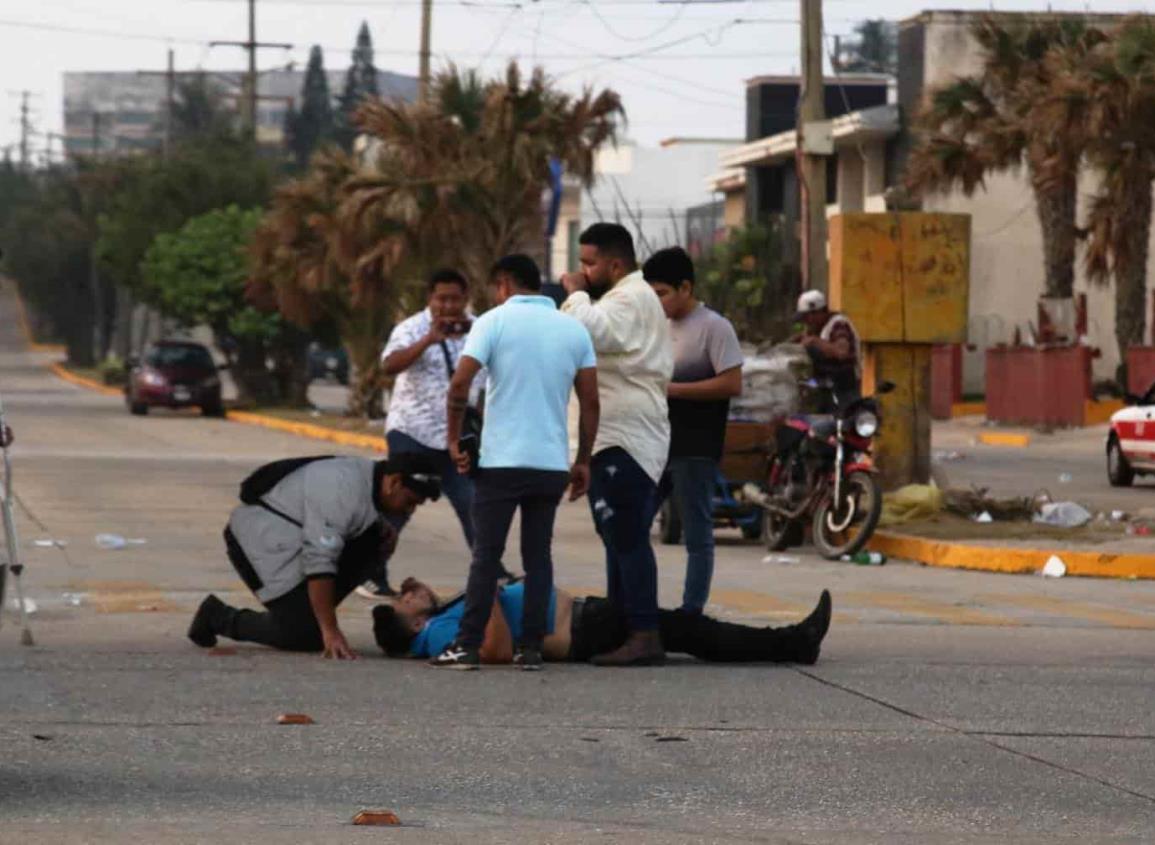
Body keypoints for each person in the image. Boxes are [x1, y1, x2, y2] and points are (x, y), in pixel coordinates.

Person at [429, 254, 599, 671]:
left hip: (502, 463)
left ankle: (467, 645)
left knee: (486, 555)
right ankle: (531, 649)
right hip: (550, 464)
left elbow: (459, 385)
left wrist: (453, 439)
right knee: (538, 556)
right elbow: (591, 402)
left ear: (503, 283)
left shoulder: (493, 322)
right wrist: (583, 460)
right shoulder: (573, 329)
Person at [186, 453, 441, 659]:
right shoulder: (343, 491)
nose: (410, 510)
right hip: (258, 541)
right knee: (304, 635)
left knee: (379, 540)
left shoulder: (370, 480)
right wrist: (329, 631)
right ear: (394, 482)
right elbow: (319, 564)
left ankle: (310, 616)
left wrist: (382, 529)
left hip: (290, 534)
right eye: (410, 501)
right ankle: (218, 616)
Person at [560, 223, 674, 666]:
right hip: (615, 438)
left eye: (589, 263)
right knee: (616, 537)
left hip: (626, 439)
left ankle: (644, 633)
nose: (582, 271)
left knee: (626, 536)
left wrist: (574, 293)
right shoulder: (622, 297)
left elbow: (592, 330)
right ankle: (626, 626)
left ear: (615, 264)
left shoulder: (630, 297)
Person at [374, 578, 833, 667]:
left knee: (691, 630)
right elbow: (492, 650)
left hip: (587, 619)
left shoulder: (433, 626)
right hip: (583, 630)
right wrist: (488, 595)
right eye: (403, 603)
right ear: (412, 627)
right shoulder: (434, 638)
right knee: (693, 630)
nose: (409, 598)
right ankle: (793, 643)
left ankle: (790, 642)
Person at [365, 269, 488, 598]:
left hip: (457, 437)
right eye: (441, 299)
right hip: (412, 431)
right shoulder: (411, 328)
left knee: (472, 503)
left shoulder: (480, 329)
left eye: (455, 299)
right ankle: (372, 573)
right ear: (429, 299)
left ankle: (492, 571)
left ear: (466, 299)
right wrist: (428, 340)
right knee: (400, 503)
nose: (448, 306)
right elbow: (389, 366)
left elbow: (487, 383)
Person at [642, 247, 743, 615]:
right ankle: (638, 605)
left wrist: (674, 391)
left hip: (695, 445)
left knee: (697, 535)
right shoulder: (656, 326)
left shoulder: (715, 327)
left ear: (686, 287)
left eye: (662, 294)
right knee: (634, 526)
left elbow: (732, 383)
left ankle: (691, 611)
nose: (657, 303)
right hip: (653, 444)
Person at [794, 290, 861, 412]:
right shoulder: (816, 329)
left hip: (844, 389)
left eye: (807, 317)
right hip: (824, 389)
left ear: (818, 313)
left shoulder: (839, 324)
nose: (806, 322)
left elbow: (842, 352)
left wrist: (815, 341)